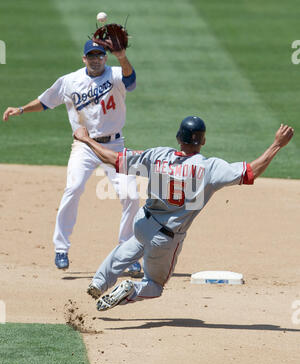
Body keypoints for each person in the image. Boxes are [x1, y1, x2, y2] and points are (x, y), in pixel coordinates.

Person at [73, 116, 294, 311]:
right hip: (165, 238)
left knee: (133, 245)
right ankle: (132, 289)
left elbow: (114, 159)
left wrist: (86, 139)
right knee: (155, 285)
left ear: (179, 137)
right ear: (203, 141)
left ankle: (99, 282)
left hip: (142, 223)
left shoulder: (157, 155)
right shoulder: (209, 168)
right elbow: (251, 172)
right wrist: (277, 144)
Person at [2, 39, 142, 274]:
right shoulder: (70, 80)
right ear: (84, 58)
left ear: (105, 58)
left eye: (99, 55)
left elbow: (131, 81)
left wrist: (121, 56)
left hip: (114, 145)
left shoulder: (116, 74)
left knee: (131, 195)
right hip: (84, 147)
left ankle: (126, 252)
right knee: (74, 188)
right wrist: (22, 109)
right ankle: (61, 248)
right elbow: (46, 102)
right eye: (91, 56)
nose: (96, 59)